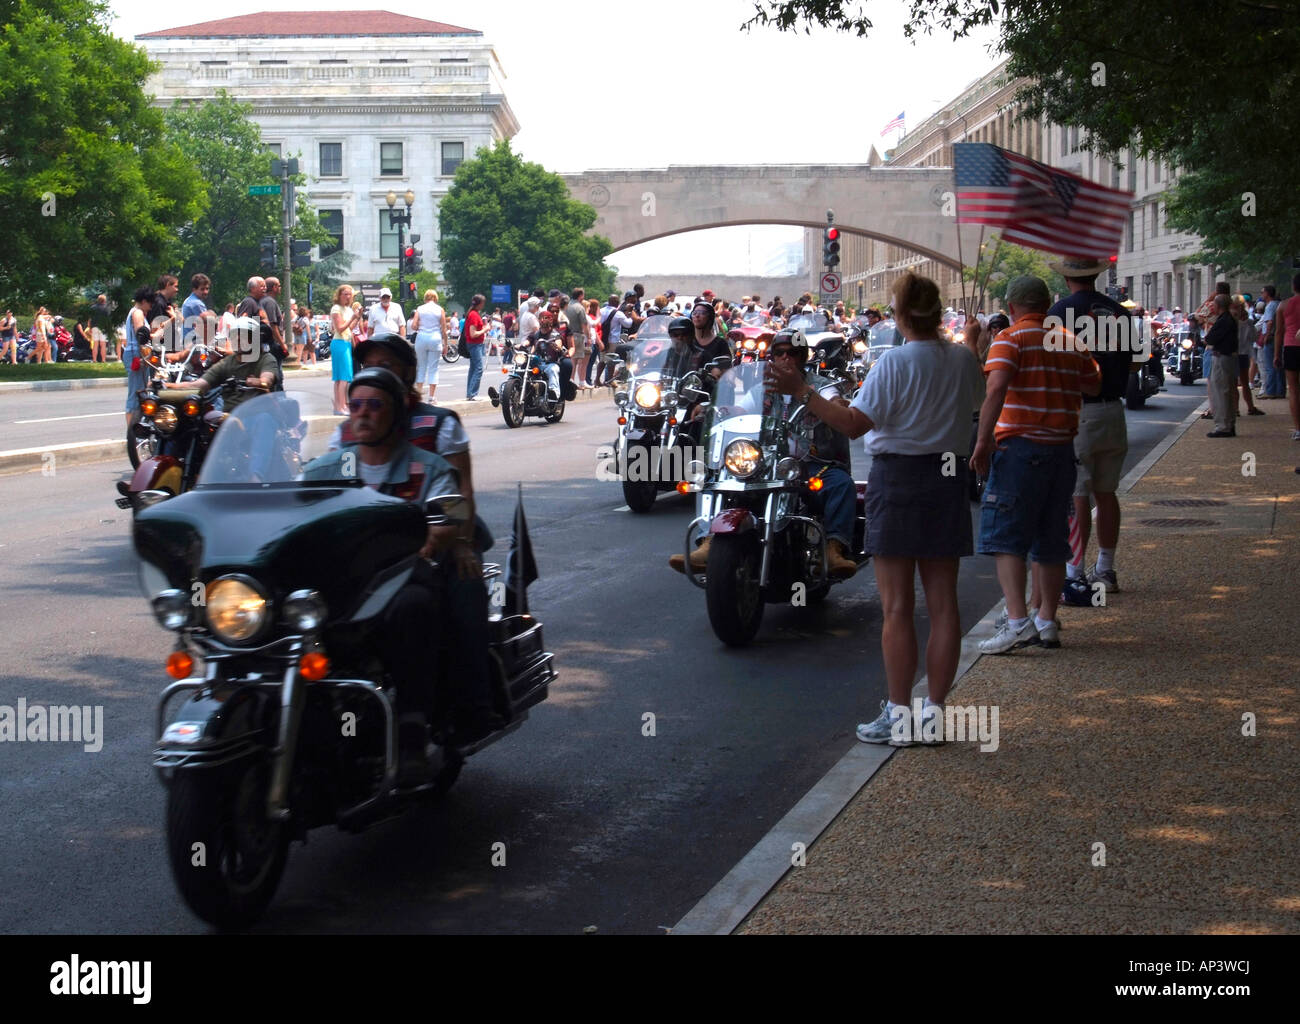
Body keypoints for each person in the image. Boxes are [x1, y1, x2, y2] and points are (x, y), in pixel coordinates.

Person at [302, 366, 502, 778]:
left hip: (402, 579)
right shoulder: (326, 469)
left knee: (413, 606)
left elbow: (451, 511)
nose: (363, 414)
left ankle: (411, 728)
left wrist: (437, 533)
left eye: (375, 406)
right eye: (355, 405)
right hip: (340, 586)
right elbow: (292, 511)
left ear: (397, 414)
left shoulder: (428, 469)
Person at [972, 275, 1101, 654]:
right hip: (1062, 451)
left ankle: (1017, 622)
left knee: (1006, 537)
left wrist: (983, 441)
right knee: (1051, 538)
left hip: (1020, 449)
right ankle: (1046, 618)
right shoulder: (1068, 339)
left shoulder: (1009, 340)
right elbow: (1093, 383)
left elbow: (995, 389)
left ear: (1012, 307)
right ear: (1046, 305)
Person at [1045, 255, 1141, 605]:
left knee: (1078, 494)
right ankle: (1107, 567)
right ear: (1096, 277)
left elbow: (1053, 365)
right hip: (1113, 408)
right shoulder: (1120, 313)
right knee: (1107, 491)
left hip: (1078, 409)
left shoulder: (1058, 314)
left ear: (1068, 279)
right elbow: (1133, 363)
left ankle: (1075, 572)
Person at [123, 287, 173, 429]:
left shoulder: (137, 312)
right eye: (150, 304)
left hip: (137, 353)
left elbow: (148, 334)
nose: (151, 307)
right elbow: (142, 333)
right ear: (144, 301)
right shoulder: (138, 312)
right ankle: (132, 434)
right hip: (136, 354)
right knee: (136, 394)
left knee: (141, 391)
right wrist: (152, 336)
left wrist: (165, 326)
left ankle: (135, 431)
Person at [1204, 294, 1239, 438]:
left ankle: (1223, 426)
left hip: (1221, 357)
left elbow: (1210, 338)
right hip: (1228, 357)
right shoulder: (1230, 319)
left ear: (1218, 306)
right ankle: (1228, 424)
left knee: (1220, 392)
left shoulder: (1223, 320)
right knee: (1227, 391)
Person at [410, 288, 449, 403]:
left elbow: (413, 326)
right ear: (435, 298)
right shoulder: (440, 309)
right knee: (433, 368)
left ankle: (418, 395)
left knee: (421, 367)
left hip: (421, 338)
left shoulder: (420, 309)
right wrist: (445, 344)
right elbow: (444, 329)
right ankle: (431, 397)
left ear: (426, 298)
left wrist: (420, 327)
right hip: (435, 338)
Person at [1273, 273, 1300, 440]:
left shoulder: (1283, 305)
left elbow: (1278, 332)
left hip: (1290, 347)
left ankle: (1298, 428)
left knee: (1294, 390)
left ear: (1293, 286)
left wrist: (1276, 354)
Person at [330, 284, 362, 415]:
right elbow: (340, 328)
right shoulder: (336, 308)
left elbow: (350, 327)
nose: (348, 297)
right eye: (345, 294)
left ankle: (340, 406)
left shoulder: (348, 309)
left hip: (346, 342)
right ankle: (341, 406)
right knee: (342, 377)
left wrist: (357, 317)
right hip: (339, 342)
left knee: (341, 377)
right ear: (339, 295)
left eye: (350, 294)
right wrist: (353, 318)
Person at [1232, 297, 1263, 417]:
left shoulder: (1232, 322)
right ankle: (1250, 407)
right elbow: (1254, 337)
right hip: (1244, 353)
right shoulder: (1249, 322)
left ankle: (1235, 409)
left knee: (1234, 384)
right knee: (1245, 383)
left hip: (1234, 353)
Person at [1257, 284, 1283, 399]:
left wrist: (1266, 335)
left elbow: (1269, 322)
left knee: (1269, 365)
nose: (1261, 294)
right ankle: (1280, 390)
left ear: (1267, 293)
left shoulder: (1270, 306)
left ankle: (1271, 391)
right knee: (1278, 365)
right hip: (1279, 337)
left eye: (1262, 292)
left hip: (1271, 337)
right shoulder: (1278, 304)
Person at [463, 293, 488, 400]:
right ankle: (472, 393)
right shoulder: (474, 315)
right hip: (475, 344)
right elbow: (473, 334)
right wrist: (485, 329)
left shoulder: (473, 313)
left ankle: (470, 393)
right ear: (480, 303)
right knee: (478, 368)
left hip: (473, 344)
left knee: (473, 368)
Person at [566, 289, 591, 389]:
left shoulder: (566, 306)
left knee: (571, 358)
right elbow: (584, 324)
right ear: (580, 295)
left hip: (567, 335)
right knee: (576, 359)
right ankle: (573, 381)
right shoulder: (579, 308)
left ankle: (570, 380)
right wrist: (588, 337)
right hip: (577, 335)